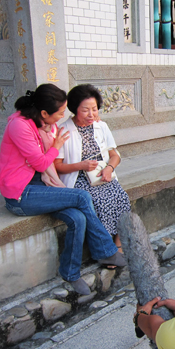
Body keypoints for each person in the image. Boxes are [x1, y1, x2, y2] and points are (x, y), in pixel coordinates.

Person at [0, 84, 126, 295]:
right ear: (44, 113)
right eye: (58, 114)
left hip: (43, 186)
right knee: (83, 195)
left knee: (78, 218)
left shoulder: (44, 125)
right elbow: (41, 164)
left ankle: (70, 272)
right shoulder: (19, 126)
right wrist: (57, 146)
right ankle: (105, 250)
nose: (61, 118)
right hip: (21, 193)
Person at [55, 84, 131, 253]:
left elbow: (115, 155)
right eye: (85, 110)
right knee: (98, 201)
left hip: (102, 174)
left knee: (121, 197)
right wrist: (80, 166)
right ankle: (106, 247)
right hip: (78, 178)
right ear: (74, 109)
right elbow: (57, 166)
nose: (91, 115)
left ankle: (118, 243)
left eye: (94, 109)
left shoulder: (101, 126)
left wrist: (109, 169)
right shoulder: (64, 130)